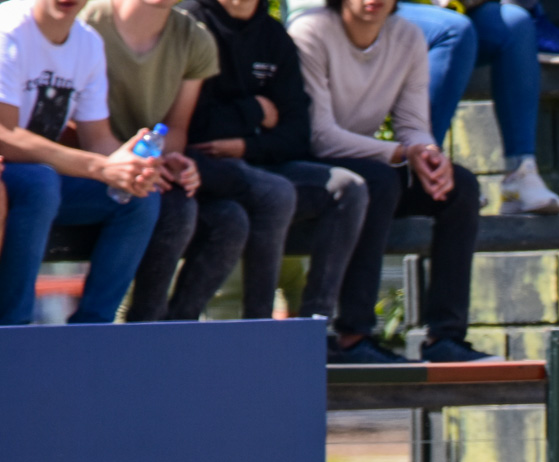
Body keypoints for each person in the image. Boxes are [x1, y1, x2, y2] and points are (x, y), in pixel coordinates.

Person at [290, 0, 486, 363]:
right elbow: (319, 135)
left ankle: (446, 336)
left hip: (371, 161)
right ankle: (353, 334)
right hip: (309, 168)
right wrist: (400, 153)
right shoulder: (309, 31)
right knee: (380, 182)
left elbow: (412, 124)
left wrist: (428, 155)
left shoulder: (408, 35)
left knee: (460, 187)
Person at [284, 0, 559, 214]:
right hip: (353, 9)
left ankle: (520, 174)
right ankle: (427, 169)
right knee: (452, 29)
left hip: (442, 7)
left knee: (515, 22)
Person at [181, 0, 367, 322]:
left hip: (259, 161)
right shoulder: (189, 23)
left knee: (347, 188)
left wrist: (244, 145)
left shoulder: (274, 36)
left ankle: (317, 327)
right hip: (200, 167)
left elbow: (296, 134)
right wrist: (255, 111)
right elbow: (195, 126)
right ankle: (258, 324)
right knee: (272, 193)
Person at [82, 0, 255, 322]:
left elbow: (176, 128)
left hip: (147, 168)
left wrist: (165, 162)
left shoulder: (195, 38)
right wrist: (126, 164)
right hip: (88, 167)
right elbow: (72, 126)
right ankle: (135, 327)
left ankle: (175, 333)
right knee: (172, 210)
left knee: (228, 220)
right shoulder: (85, 22)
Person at [0, 0, 161, 326]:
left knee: (139, 198)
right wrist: (100, 167)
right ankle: (13, 327)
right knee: (39, 182)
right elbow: (5, 135)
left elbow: (97, 139)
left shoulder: (88, 42)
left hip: (51, 178)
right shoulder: (8, 30)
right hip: (14, 176)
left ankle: (94, 330)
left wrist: (130, 167)